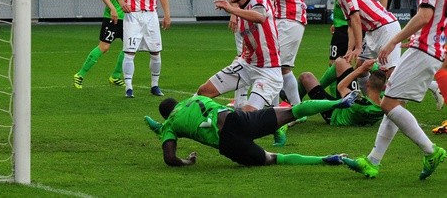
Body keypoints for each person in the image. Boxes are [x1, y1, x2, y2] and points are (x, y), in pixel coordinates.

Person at [343, 0, 447, 180]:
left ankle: (431, 150)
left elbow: (424, 16)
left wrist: (393, 41)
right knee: (394, 101)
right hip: (432, 48)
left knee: (388, 103)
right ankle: (373, 161)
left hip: (423, 49)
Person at [144, 91, 359, 167]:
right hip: (237, 119)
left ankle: (325, 159)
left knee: (274, 159)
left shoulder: (169, 124)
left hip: (229, 144)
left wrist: (187, 161)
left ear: (166, 115)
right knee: (292, 111)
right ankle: (338, 103)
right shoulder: (195, 98)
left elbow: (170, 158)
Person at [196, 0, 284, 139]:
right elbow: (249, 37)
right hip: (246, 65)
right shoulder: (241, 8)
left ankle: (278, 126)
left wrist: (231, 9)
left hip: (268, 71)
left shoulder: (258, 1)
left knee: (245, 118)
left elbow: (260, 18)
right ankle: (191, 119)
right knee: (204, 91)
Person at [251, 0, 306, 109]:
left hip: (290, 20)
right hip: (282, 19)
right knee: (281, 67)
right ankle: (294, 110)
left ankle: (276, 110)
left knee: (274, 66)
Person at [112, 0, 171, 98]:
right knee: (129, 52)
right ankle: (129, 87)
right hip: (133, 16)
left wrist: (167, 15)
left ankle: (155, 85)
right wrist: (122, 2)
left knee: (155, 52)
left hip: (151, 15)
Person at [321, 0, 401, 74]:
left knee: (390, 72)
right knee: (360, 69)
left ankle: (431, 85)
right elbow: (350, 25)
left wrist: (358, 47)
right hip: (372, 31)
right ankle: (370, 92)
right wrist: (350, 49)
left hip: (385, 28)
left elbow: (356, 18)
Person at [74, 0, 134, 89]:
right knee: (104, 47)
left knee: (130, 49)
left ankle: (115, 76)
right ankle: (80, 74)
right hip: (113, 17)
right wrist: (112, 8)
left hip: (130, 18)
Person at [299, 58, 385, 127]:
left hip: (333, 113)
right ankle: (316, 87)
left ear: (367, 83)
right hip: (347, 108)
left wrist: (361, 69)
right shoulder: (384, 105)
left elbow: (341, 87)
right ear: (383, 87)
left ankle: (292, 102)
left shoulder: (358, 102)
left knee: (306, 77)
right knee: (341, 62)